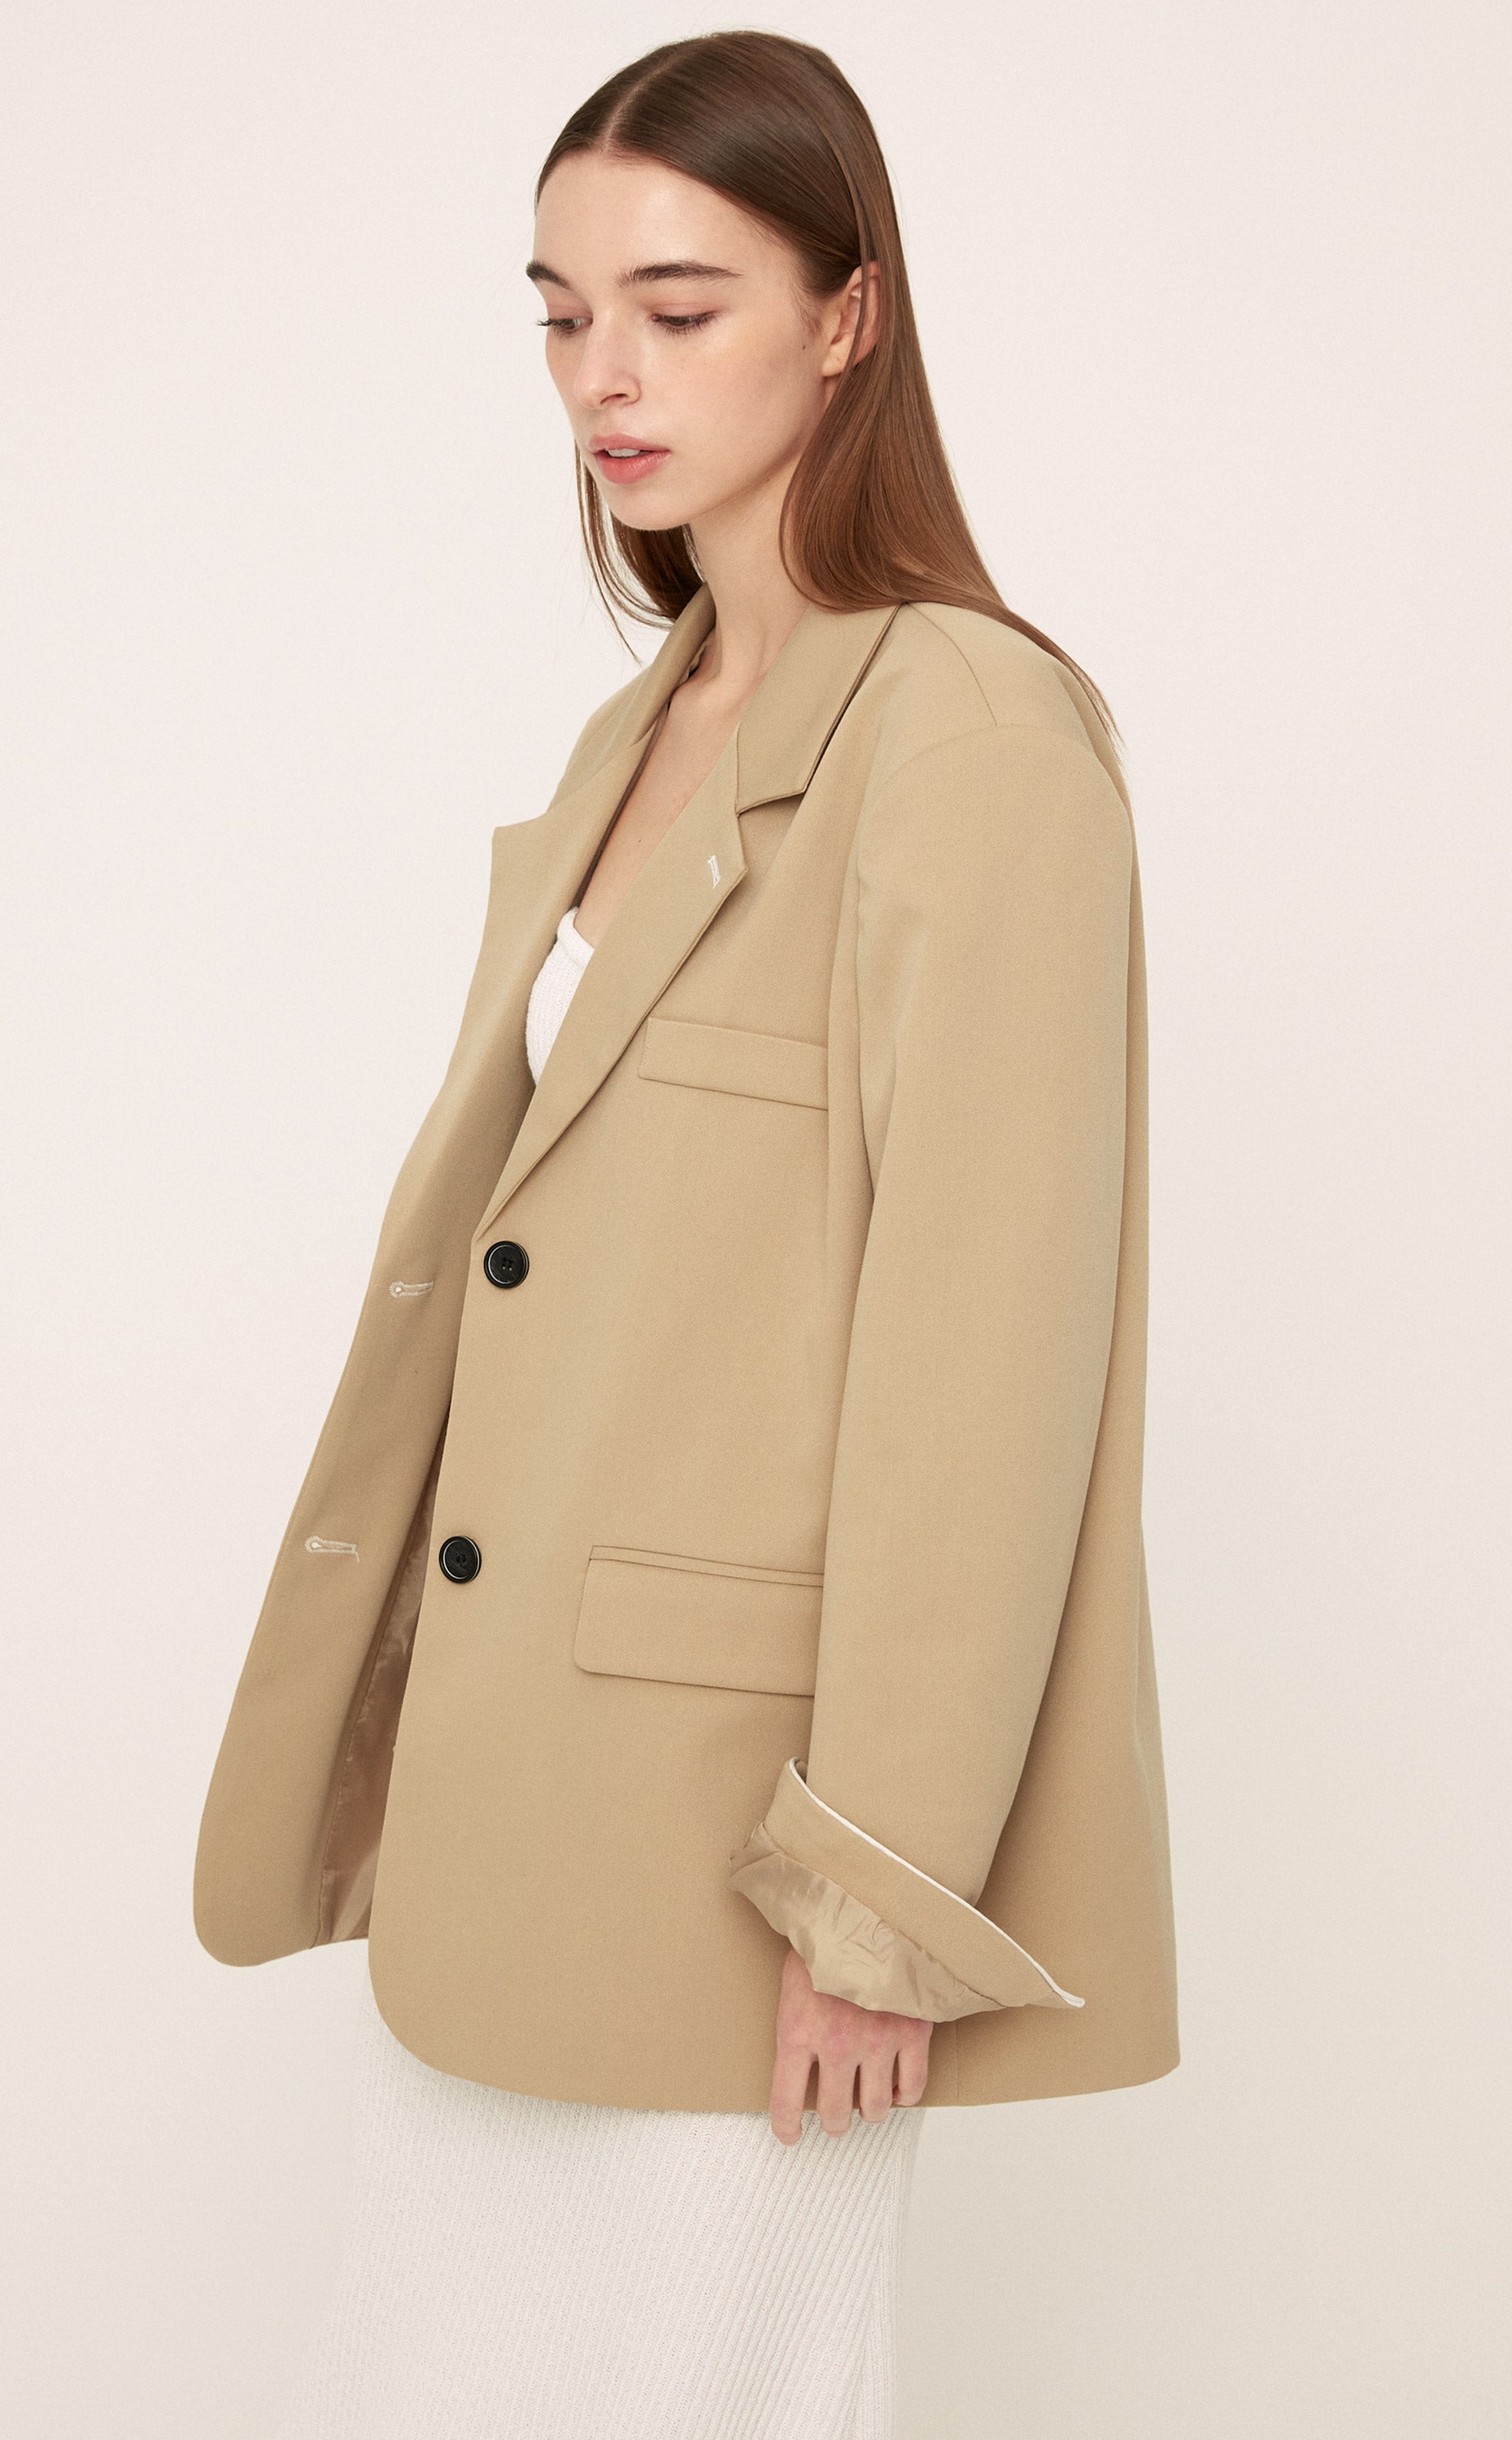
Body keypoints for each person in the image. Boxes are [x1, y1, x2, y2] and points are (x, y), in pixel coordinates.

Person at [193, 30, 1178, 2438]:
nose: (601, 377)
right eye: (560, 315)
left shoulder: (972, 737)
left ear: (849, 316)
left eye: (677, 306)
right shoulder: (638, 733)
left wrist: (881, 1890)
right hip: (503, 1820)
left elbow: (985, 1365)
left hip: (747, 1869)